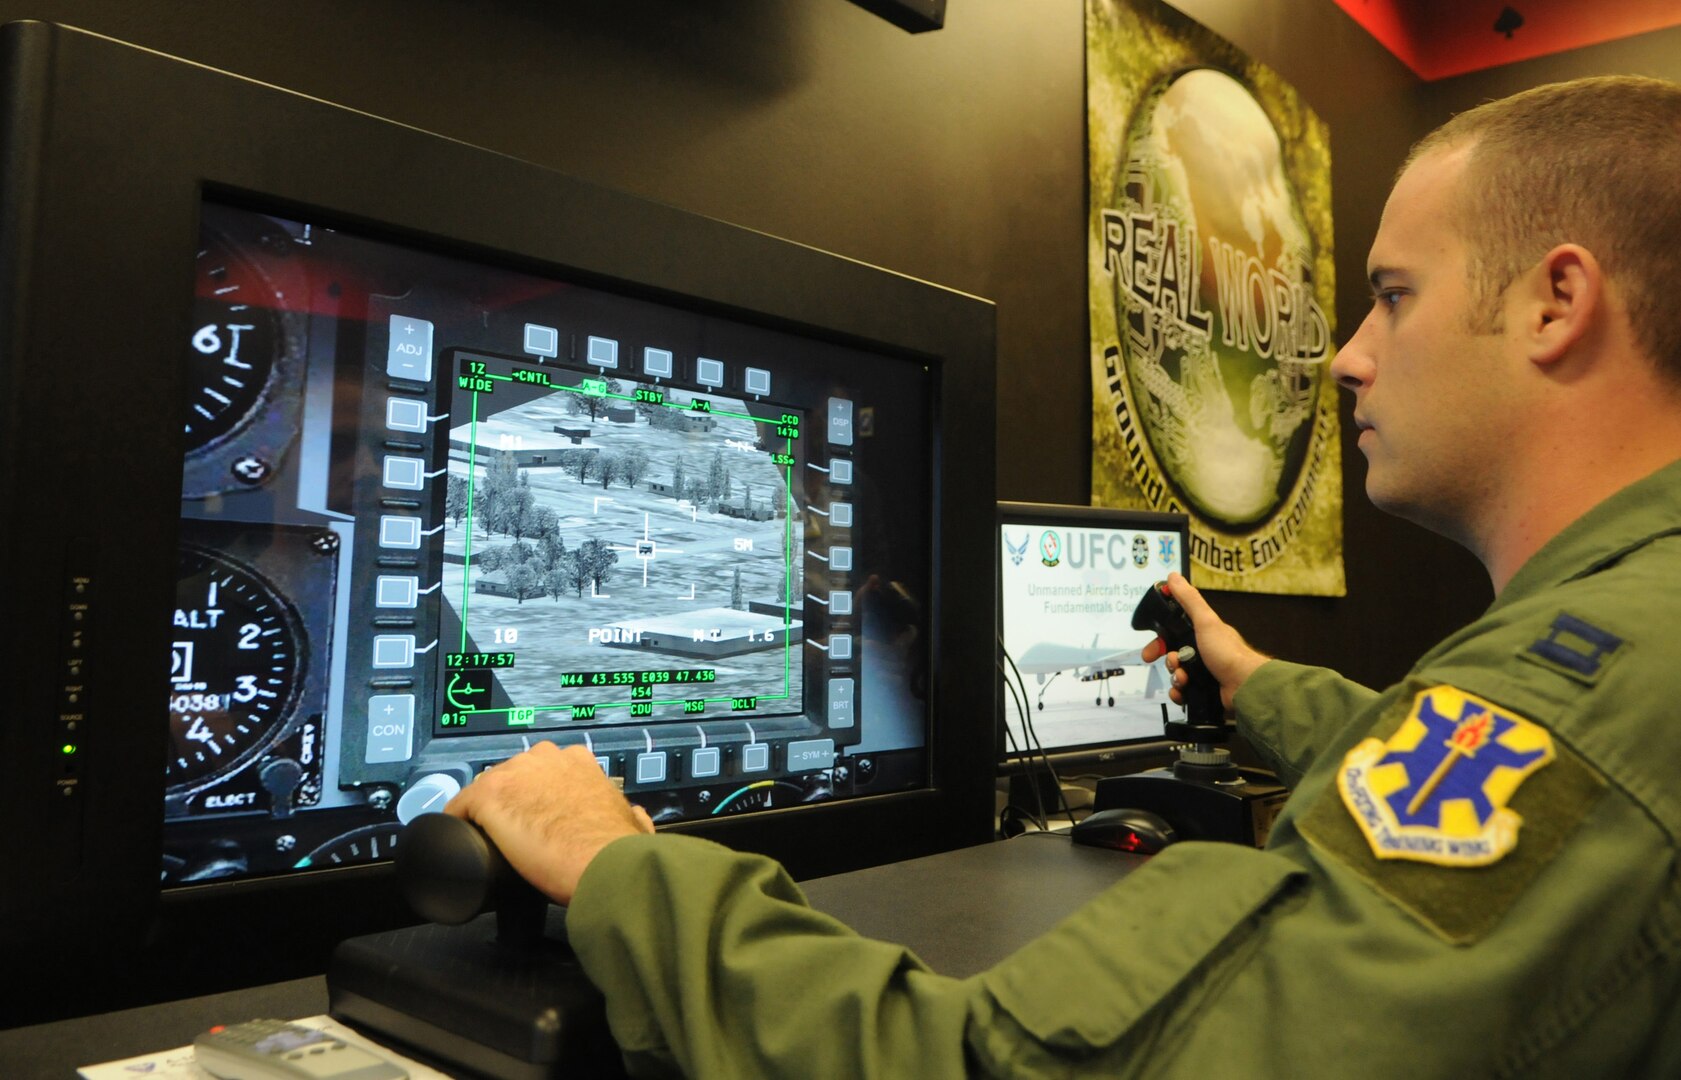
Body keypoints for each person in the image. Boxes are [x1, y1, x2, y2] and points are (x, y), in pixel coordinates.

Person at [448, 75, 1681, 1077]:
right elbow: (1490, 792)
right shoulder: (1624, 653)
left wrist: (617, 863)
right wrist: (1253, 682)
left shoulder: (1584, 699)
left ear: (1554, 301)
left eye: (1393, 298)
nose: (1350, 359)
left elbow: (984, 1067)